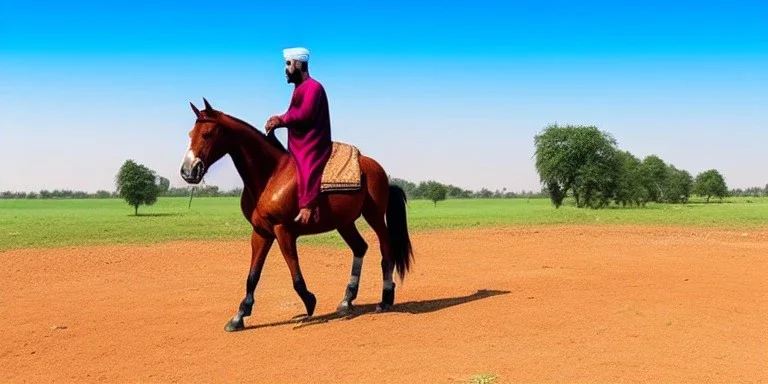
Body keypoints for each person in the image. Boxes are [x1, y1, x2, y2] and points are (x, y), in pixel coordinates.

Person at [265, 47, 333, 225]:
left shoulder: (314, 87)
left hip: (313, 142)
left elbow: (305, 114)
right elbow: (292, 114)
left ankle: (308, 205)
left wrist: (281, 119)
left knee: (308, 164)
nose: (285, 69)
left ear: (300, 64)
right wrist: (277, 121)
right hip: (298, 141)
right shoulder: (298, 90)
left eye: (288, 64)